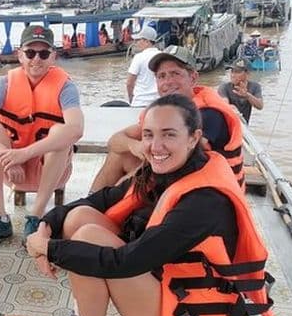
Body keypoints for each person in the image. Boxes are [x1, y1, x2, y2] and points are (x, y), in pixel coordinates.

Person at [26, 94, 276, 316]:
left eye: (169, 135)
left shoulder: (204, 200)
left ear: (193, 138)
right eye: (148, 134)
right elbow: (103, 199)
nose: (155, 146)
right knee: (79, 218)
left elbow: (125, 262)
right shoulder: (164, 169)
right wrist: (46, 224)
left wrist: (50, 249)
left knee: (88, 238)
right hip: (162, 284)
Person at [0, 24, 84, 247]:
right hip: (11, 171)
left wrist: (24, 154)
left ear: (53, 56)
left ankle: (37, 216)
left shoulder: (65, 87)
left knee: (61, 132)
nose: (36, 59)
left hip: (49, 170)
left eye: (43, 53)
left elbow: (76, 129)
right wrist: (6, 156)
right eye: (30, 53)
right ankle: (0, 217)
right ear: (20, 55)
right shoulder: (4, 84)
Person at [89, 45, 244, 192]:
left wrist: (146, 151)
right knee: (121, 155)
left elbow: (181, 158)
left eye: (175, 74)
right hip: (178, 178)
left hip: (209, 189)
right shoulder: (164, 112)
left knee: (147, 165)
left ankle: (106, 204)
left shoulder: (208, 113)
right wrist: (134, 145)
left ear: (193, 78)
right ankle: (93, 201)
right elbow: (114, 142)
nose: (168, 82)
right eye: (161, 76)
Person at [218, 58, 263, 123]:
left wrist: (247, 95)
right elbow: (224, 103)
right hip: (228, 123)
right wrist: (231, 108)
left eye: (237, 72)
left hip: (244, 124)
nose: (233, 75)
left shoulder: (255, 86)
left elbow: (260, 106)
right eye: (232, 71)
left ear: (247, 74)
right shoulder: (224, 87)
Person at [125, 26, 160, 107]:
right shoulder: (162, 55)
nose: (136, 43)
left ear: (146, 41)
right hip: (158, 103)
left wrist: (131, 99)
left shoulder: (138, 57)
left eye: (138, 40)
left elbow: (129, 83)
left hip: (140, 102)